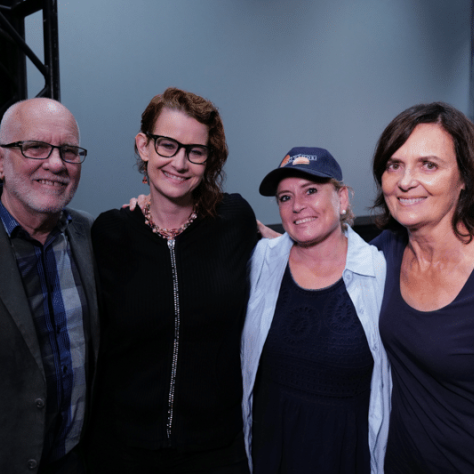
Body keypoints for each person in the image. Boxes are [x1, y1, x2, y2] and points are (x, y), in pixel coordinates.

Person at [86, 88, 258, 473]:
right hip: (122, 450)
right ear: (143, 146)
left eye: (195, 151)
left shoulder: (235, 219)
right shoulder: (110, 233)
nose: (180, 163)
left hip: (216, 450)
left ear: (208, 159)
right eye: (167, 145)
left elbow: (292, 251)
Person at [241, 147, 391, 474]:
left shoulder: (379, 271)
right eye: (284, 197)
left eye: (310, 190)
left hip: (343, 453)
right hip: (272, 451)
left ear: (342, 198)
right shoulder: (263, 259)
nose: (297, 206)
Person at [371, 102, 474, 473]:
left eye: (428, 165)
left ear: (464, 179)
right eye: (393, 165)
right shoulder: (385, 251)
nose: (405, 181)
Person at [0, 98, 99, 473]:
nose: (56, 164)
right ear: (0, 162)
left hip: (76, 459)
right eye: (35, 147)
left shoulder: (91, 235)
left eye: (69, 151)